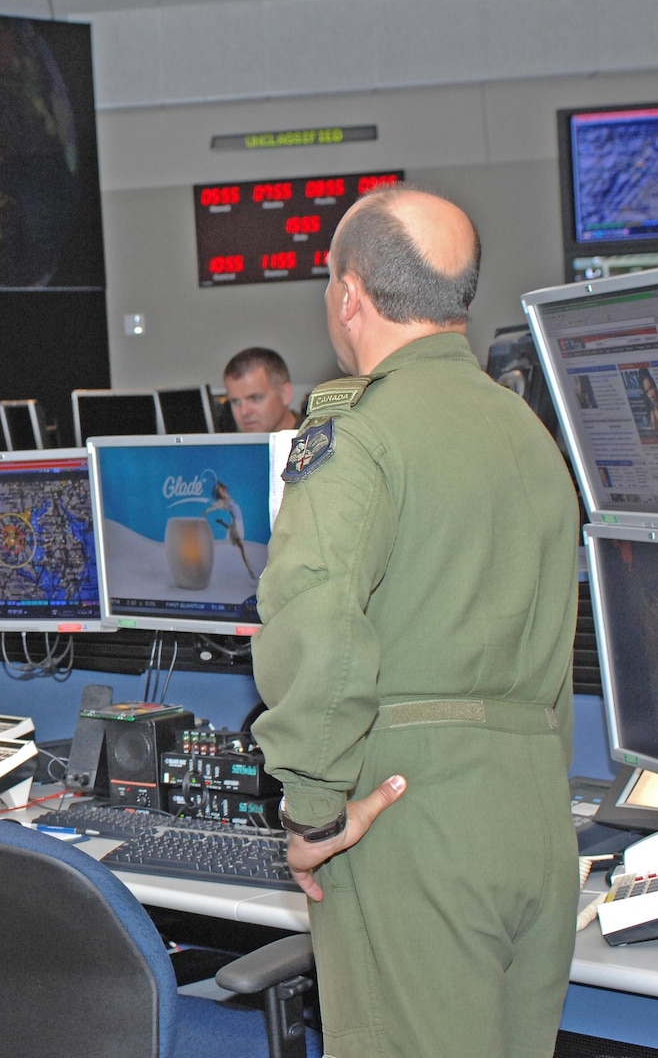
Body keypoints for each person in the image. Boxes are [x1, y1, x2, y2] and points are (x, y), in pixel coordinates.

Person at [249, 185, 579, 1057]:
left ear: (348, 295)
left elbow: (313, 621)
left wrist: (314, 814)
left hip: (409, 824)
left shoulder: (358, 434)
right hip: (538, 822)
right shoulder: (534, 437)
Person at [222, 347, 298, 432]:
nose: (244, 412)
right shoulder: (232, 443)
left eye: (255, 398)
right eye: (235, 401)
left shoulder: (313, 441)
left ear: (285, 394)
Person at [202, 481, 255, 579]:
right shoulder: (223, 502)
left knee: (241, 546)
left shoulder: (229, 499)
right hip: (236, 524)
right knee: (241, 547)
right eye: (219, 491)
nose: (221, 491)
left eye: (221, 489)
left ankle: (250, 569)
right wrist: (207, 511)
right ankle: (250, 570)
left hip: (238, 524)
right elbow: (216, 506)